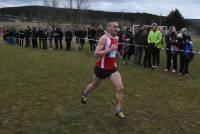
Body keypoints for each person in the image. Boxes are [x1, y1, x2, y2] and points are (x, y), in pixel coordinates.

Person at [81, 21, 126, 119]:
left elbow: (113, 51)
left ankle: (118, 110)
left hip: (112, 68)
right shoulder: (104, 38)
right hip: (101, 68)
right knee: (94, 85)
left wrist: (117, 53)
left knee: (120, 88)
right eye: (114, 27)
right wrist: (109, 50)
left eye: (117, 27)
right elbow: (96, 53)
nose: (116, 28)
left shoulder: (117, 38)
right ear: (109, 27)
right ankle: (85, 93)